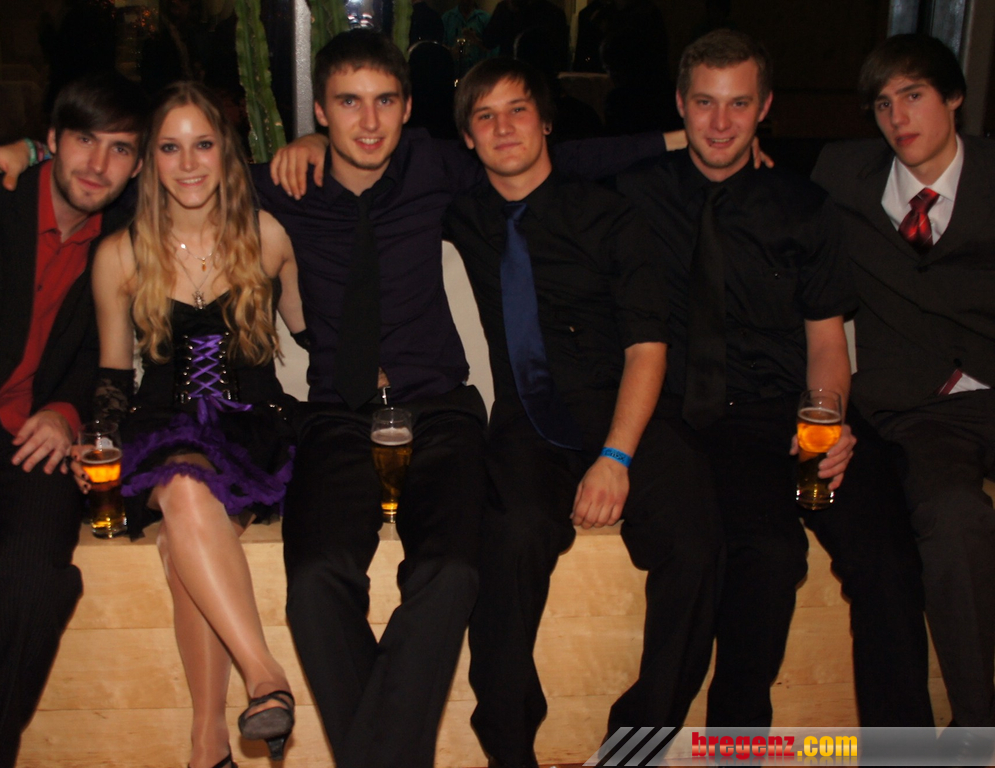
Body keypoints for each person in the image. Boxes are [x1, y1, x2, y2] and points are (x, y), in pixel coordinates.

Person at [252, 28, 690, 768]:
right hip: (337, 414)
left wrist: (692, 139)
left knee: (453, 572)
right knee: (315, 581)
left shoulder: (432, 166)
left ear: (408, 107)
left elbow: (563, 157)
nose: (368, 121)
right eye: (348, 103)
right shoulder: (285, 183)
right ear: (320, 111)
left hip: (439, 409)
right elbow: (175, 182)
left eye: (384, 101)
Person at [617, 29, 933, 728]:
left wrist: (830, 419)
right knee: (767, 555)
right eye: (705, 102)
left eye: (739, 104)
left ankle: (903, 750)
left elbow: (827, 342)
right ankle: (736, 743)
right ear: (681, 104)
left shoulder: (804, 206)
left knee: (886, 557)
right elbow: (531, 165)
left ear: (764, 108)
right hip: (708, 422)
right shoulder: (635, 196)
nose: (720, 123)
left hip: (800, 410)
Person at [444, 58, 723, 768]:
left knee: (696, 541)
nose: (504, 128)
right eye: (484, 116)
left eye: (518, 110)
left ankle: (637, 744)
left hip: (622, 407)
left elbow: (647, 347)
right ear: (468, 138)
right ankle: (509, 745)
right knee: (511, 535)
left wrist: (617, 456)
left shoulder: (610, 215)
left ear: (545, 122)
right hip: (525, 419)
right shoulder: (461, 214)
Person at [81, 81, 302, 768]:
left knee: (184, 540)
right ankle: (264, 675)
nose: (188, 164)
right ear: (149, 160)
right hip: (163, 424)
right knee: (181, 484)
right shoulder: (120, 254)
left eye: (202, 144)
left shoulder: (268, 237)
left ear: (226, 152)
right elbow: (114, 377)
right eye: (170, 148)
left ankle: (208, 747)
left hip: (253, 426)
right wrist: (97, 451)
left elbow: (319, 336)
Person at [812, 35, 995, 729]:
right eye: (884, 104)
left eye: (913, 96)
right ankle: (977, 728)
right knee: (952, 518)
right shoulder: (841, 176)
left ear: (954, 97)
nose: (898, 118)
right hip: (920, 410)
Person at [0, 71, 146, 768]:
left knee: (35, 583)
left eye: (120, 149)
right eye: (83, 141)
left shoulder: (126, 237)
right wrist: (16, 150)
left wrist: (67, 412)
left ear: (137, 164)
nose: (98, 164)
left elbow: (212, 174)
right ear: (51, 140)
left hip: (29, 442)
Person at [443, 0, 491, 76]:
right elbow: (441, 47)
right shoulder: (447, 18)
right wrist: (451, 52)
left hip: (478, 74)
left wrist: (476, 40)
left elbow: (492, 50)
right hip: (452, 72)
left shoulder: (484, 19)